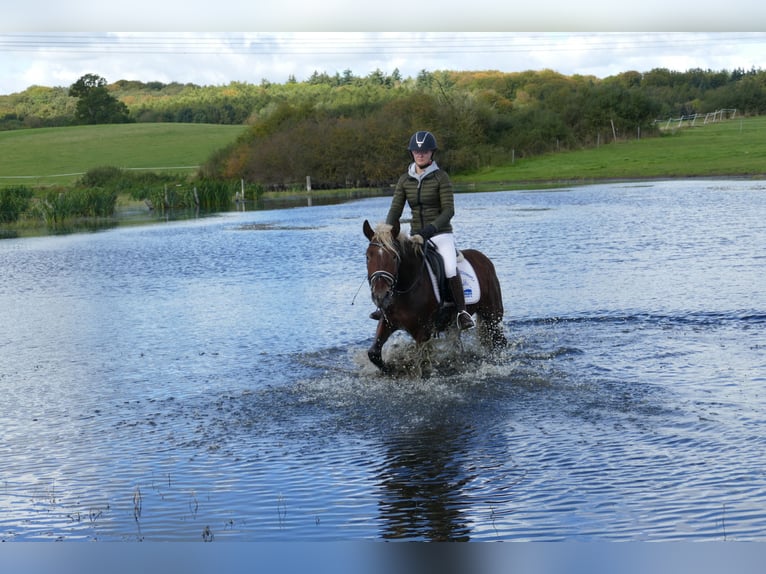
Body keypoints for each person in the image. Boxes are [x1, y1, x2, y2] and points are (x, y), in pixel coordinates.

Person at [370, 130, 475, 330]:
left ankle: (461, 313)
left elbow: (448, 211)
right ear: (412, 153)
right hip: (414, 235)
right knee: (394, 263)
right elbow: (395, 209)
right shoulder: (404, 180)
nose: (420, 154)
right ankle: (385, 307)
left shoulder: (440, 178)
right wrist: (386, 233)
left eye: (425, 151)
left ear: (431, 153)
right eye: (417, 151)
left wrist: (426, 232)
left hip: (440, 233)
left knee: (450, 267)